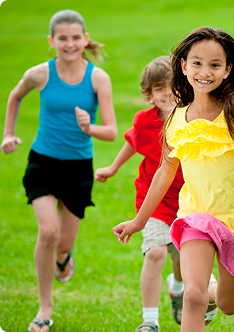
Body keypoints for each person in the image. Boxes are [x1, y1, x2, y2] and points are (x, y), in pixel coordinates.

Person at [112, 26, 234, 332]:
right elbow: (165, 172)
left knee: (228, 306)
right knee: (193, 297)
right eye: (197, 63)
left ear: (228, 70)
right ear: (184, 66)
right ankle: (201, 291)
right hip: (195, 217)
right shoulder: (176, 118)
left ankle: (214, 291)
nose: (205, 71)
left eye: (215, 64)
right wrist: (138, 221)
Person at [1, 9, 117, 332]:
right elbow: (14, 96)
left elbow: (110, 130)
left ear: (85, 39)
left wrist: (88, 127)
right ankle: (44, 308)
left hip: (79, 167)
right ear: (51, 41)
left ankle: (63, 259)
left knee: (63, 243)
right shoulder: (40, 73)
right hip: (43, 162)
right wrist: (8, 134)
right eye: (62, 39)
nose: (70, 44)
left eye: (76, 38)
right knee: (47, 232)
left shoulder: (98, 78)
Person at [94, 56, 187, 331]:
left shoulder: (193, 118)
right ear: (149, 94)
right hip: (153, 197)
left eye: (172, 86)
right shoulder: (145, 121)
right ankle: (150, 321)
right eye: (159, 89)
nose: (167, 93)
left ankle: (177, 286)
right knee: (156, 252)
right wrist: (112, 168)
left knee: (181, 257)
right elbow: (132, 142)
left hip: (188, 199)